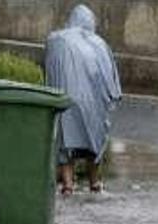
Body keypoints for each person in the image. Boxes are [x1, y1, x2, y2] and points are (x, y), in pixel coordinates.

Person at [45, 4, 122, 196]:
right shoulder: (100, 44)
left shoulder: (56, 40)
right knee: (94, 144)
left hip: (66, 100)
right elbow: (111, 81)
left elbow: (50, 72)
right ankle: (95, 183)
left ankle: (68, 186)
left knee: (65, 143)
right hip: (93, 104)